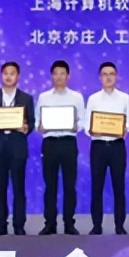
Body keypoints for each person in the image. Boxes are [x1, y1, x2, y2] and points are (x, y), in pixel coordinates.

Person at [0, 61, 34, 236]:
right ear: (1, 76)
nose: (9, 76)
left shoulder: (26, 98)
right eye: (6, 73)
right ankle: (1, 225)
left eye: (12, 73)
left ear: (18, 76)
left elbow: (32, 121)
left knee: (19, 188)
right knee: (0, 189)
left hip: (17, 147)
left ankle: (19, 225)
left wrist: (26, 128)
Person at [36, 60, 86, 235]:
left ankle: (69, 223)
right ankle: (50, 223)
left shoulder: (76, 97)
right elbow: (37, 121)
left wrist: (75, 126)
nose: (59, 77)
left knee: (69, 185)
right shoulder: (43, 97)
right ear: (51, 76)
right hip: (50, 143)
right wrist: (40, 127)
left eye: (62, 73)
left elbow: (82, 121)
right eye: (56, 73)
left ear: (68, 76)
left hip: (68, 143)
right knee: (50, 185)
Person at [84, 61, 129, 235]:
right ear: (100, 77)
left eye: (111, 74)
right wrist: (92, 130)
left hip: (117, 146)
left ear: (117, 76)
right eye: (104, 74)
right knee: (97, 187)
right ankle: (96, 225)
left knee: (119, 187)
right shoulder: (93, 99)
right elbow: (87, 124)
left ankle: (120, 225)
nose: (108, 77)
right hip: (98, 147)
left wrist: (124, 129)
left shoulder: (125, 98)